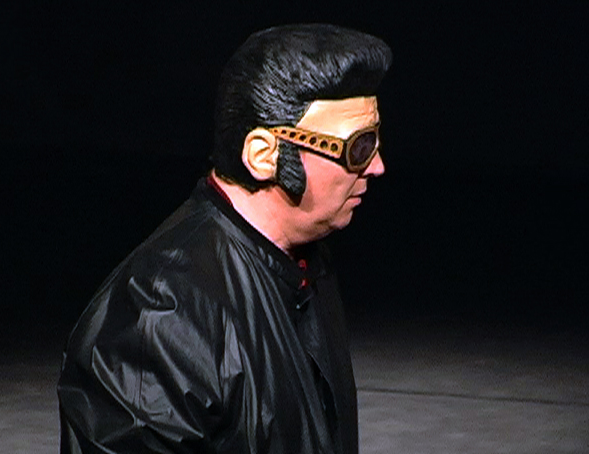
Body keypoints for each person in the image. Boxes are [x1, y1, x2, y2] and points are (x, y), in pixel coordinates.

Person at [57, 24, 391, 454]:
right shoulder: (160, 314)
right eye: (359, 147)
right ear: (264, 155)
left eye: (376, 141)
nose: (377, 165)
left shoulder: (306, 261)